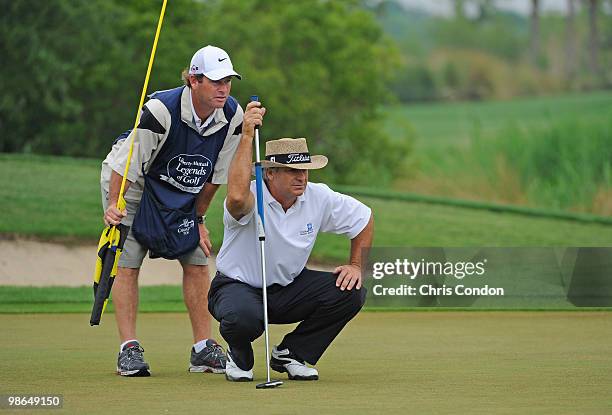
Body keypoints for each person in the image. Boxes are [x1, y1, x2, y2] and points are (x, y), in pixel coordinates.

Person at [101, 45, 243, 377]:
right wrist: (113, 205)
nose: (223, 88)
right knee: (127, 260)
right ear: (194, 80)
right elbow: (126, 164)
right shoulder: (161, 110)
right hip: (131, 183)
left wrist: (198, 219)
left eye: (228, 81)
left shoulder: (232, 116)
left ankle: (202, 349)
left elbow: (214, 177)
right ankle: (129, 349)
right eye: (215, 81)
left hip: (182, 188)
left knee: (196, 259)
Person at [208, 101, 374, 382]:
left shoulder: (318, 196)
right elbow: (235, 198)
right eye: (292, 171)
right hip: (238, 288)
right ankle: (238, 353)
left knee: (350, 290)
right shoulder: (250, 196)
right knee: (242, 318)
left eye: (305, 170)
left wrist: (355, 265)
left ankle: (293, 352)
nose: (302, 177)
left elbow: (364, 219)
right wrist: (247, 134)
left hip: (289, 289)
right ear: (269, 173)